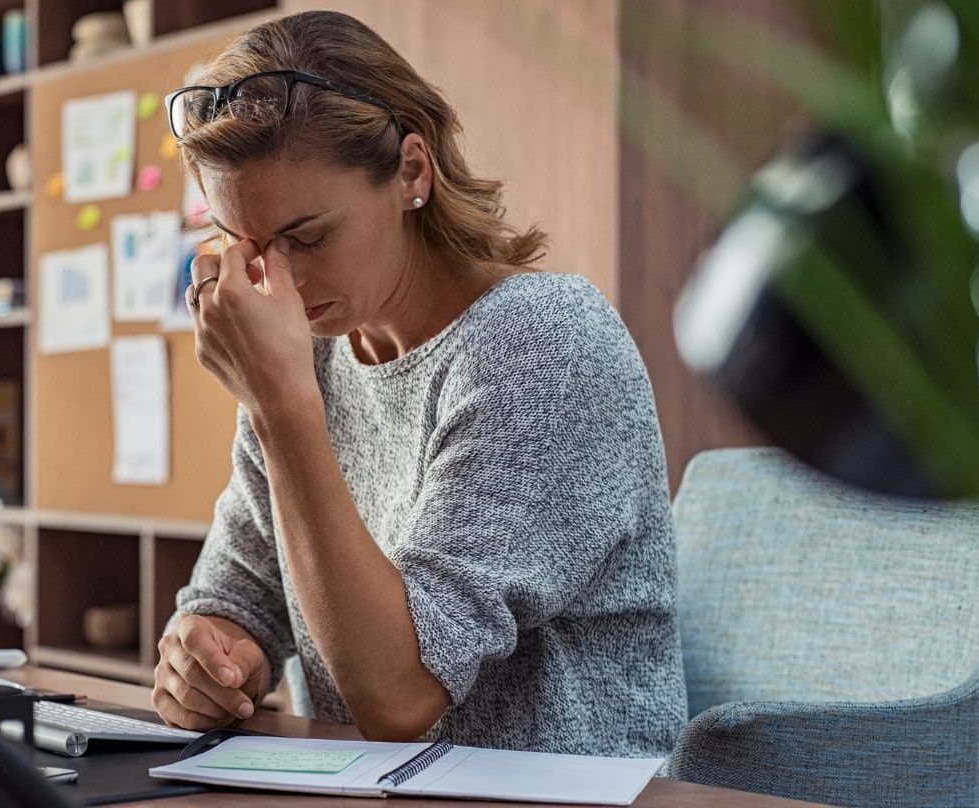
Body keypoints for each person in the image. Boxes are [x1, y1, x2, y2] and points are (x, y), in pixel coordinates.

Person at [153, 9, 687, 756]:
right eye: (246, 244)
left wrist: (279, 405)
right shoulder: (309, 356)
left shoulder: (542, 344)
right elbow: (241, 592)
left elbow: (399, 695)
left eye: (307, 238)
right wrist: (208, 654)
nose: (278, 279)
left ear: (412, 171)